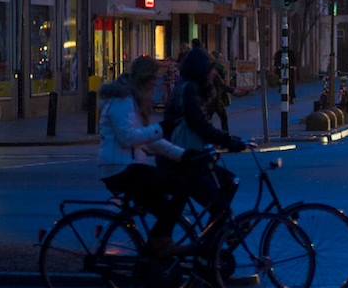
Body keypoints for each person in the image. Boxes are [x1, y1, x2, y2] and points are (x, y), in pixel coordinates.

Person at [98, 56, 199, 257]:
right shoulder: (123, 100)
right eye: (153, 78)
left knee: (164, 210)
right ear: (144, 78)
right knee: (180, 186)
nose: (155, 82)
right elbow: (128, 137)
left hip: (128, 166)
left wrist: (182, 155)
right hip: (121, 168)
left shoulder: (133, 99)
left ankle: (153, 255)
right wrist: (161, 128)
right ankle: (160, 244)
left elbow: (149, 139)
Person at [161, 45, 247, 224]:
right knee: (222, 194)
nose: (214, 73)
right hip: (185, 157)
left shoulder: (188, 86)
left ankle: (215, 234)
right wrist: (228, 140)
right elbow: (198, 123)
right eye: (211, 69)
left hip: (186, 155)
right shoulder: (189, 89)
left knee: (226, 186)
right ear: (201, 69)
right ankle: (212, 237)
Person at [207, 50, 235, 133]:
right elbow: (221, 84)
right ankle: (224, 135)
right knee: (222, 117)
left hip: (214, 97)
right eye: (220, 58)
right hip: (215, 97)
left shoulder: (217, 68)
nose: (221, 59)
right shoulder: (216, 69)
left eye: (222, 58)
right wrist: (234, 91)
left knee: (215, 117)